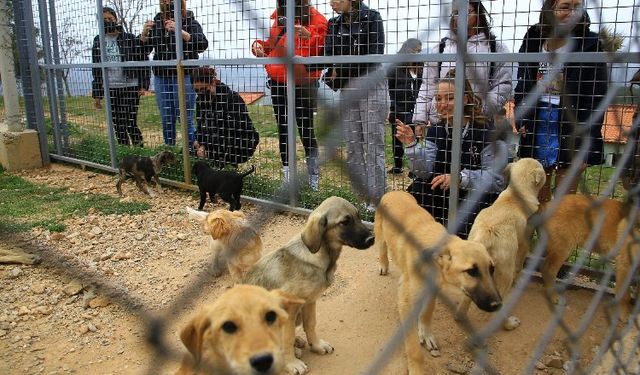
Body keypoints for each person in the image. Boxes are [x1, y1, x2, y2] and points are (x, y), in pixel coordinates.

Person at [514, 0, 608, 203]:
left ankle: (561, 232)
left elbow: (597, 98)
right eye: (565, 7)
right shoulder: (533, 38)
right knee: (539, 191)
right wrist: (521, 116)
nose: (572, 13)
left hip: (571, 120)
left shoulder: (590, 44)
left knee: (566, 199)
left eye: (577, 7)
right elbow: (523, 82)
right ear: (550, 10)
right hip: (538, 117)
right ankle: (545, 232)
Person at [396, 69, 507, 238]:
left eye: (450, 98)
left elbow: (496, 180)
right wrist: (411, 145)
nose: (443, 104)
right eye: (438, 99)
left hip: (473, 198)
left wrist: (460, 178)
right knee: (416, 192)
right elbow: (423, 172)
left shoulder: (487, 133)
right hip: (442, 196)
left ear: (465, 99)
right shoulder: (436, 130)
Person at [251, 0, 327, 191]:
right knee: (284, 129)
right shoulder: (278, 18)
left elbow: (323, 50)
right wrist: (259, 47)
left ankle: (313, 178)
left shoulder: (317, 19)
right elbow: (271, 45)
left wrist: (309, 36)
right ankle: (287, 175)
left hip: (304, 82)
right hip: (278, 81)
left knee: (305, 129)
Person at [324, 0, 388, 210]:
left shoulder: (372, 18)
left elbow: (373, 55)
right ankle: (361, 198)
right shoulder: (333, 24)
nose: (331, 3)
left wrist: (341, 67)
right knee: (353, 145)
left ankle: (377, 200)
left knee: (373, 144)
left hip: (371, 84)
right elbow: (329, 55)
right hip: (348, 88)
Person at [413, 0, 512, 127]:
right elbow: (427, 86)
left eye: (467, 12)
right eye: (456, 13)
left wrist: (481, 110)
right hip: (443, 122)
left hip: (478, 122)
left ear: (478, 14)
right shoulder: (440, 49)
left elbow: (502, 86)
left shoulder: (496, 49)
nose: (461, 17)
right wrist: (419, 120)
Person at [140, 0, 208, 146]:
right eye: (164, 0)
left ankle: (190, 152)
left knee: (185, 118)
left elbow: (202, 44)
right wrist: (144, 35)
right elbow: (145, 51)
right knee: (166, 117)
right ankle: (169, 153)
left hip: (184, 76)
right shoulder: (157, 22)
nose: (168, 3)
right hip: (161, 77)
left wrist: (180, 31)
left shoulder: (189, 20)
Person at [92, 7, 150, 147]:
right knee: (117, 124)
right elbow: (97, 68)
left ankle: (139, 151)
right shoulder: (98, 40)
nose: (108, 22)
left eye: (110, 19)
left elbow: (142, 58)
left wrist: (143, 84)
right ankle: (125, 153)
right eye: (104, 20)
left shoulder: (128, 38)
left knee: (130, 122)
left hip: (130, 86)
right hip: (111, 87)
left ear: (116, 19)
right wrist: (98, 94)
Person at [191, 67, 259, 169]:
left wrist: (207, 146)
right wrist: (200, 142)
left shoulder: (231, 98)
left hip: (237, 142)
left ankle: (225, 166)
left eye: (204, 89)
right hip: (215, 141)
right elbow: (200, 125)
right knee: (190, 148)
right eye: (197, 90)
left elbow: (235, 131)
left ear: (213, 82)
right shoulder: (200, 101)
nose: (201, 93)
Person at [387, 38, 423, 175]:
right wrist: (392, 107)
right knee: (397, 138)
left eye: (419, 51)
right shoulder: (395, 68)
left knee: (415, 138)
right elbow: (389, 89)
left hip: (416, 108)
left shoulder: (421, 68)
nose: (417, 54)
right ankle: (398, 166)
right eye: (415, 51)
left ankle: (415, 168)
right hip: (399, 108)